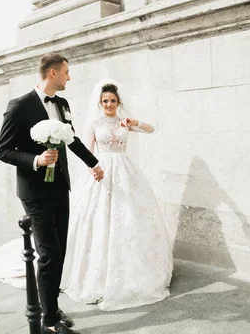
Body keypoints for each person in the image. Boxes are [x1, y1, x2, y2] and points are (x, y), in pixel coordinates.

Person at [0, 52, 103, 334]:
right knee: (49, 253)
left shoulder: (62, 104)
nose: (70, 77)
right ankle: (50, 323)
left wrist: (94, 163)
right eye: (66, 72)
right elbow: (3, 150)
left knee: (60, 250)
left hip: (59, 187)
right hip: (34, 190)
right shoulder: (19, 106)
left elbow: (72, 138)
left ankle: (51, 307)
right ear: (53, 73)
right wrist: (36, 161)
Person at [60, 80, 173, 311]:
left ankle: (134, 269)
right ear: (100, 103)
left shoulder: (125, 121)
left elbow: (151, 129)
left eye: (112, 100)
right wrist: (92, 169)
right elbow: (87, 150)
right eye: (105, 101)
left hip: (125, 170)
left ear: (118, 102)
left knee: (130, 216)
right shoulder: (94, 124)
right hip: (101, 170)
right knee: (100, 216)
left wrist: (135, 122)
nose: (109, 104)